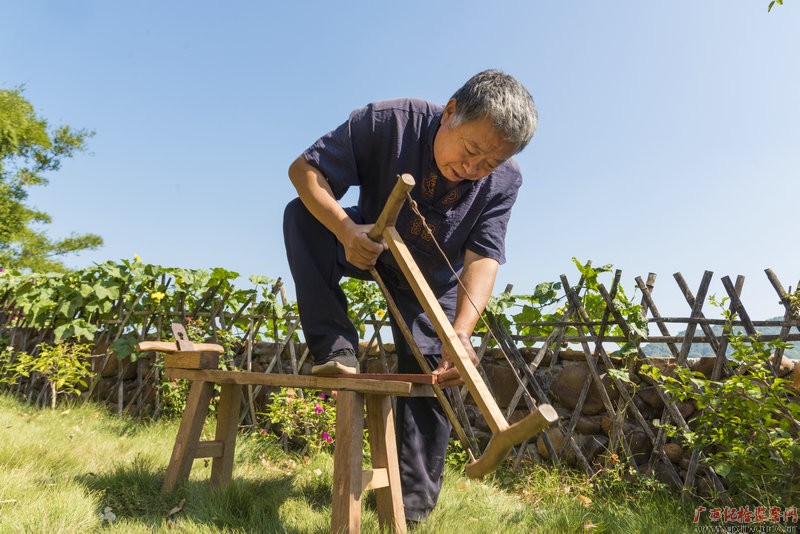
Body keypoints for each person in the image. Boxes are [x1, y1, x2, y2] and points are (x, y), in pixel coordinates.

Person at [283, 69, 538, 523]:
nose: (473, 169)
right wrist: (345, 230)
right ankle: (336, 347)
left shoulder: (505, 182)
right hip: (372, 239)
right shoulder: (389, 121)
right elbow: (304, 170)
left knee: (434, 375)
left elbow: (484, 255)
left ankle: (411, 510)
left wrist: (461, 332)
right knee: (302, 218)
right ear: (451, 112)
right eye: (472, 150)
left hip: (432, 280)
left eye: (488, 164)